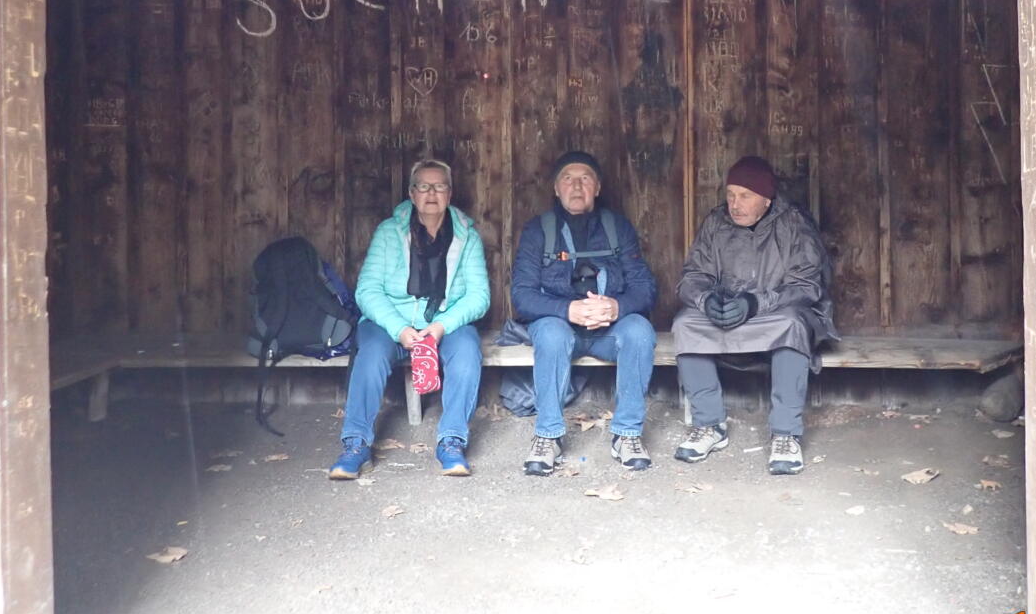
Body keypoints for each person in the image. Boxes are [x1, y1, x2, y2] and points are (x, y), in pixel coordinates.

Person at [672, 156, 837, 475]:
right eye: (731, 195)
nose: (735, 204)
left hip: (771, 317)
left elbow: (807, 286)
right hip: (728, 317)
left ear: (766, 199)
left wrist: (755, 304)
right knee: (685, 324)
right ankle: (709, 424)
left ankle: (785, 434)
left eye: (745, 196)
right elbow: (692, 276)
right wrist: (706, 300)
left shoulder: (792, 223)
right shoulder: (716, 222)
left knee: (792, 324)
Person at [329, 159, 489, 479]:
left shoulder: (467, 237)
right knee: (371, 354)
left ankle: (452, 441)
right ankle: (356, 444)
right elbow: (368, 290)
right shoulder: (389, 232)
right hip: (392, 322)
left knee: (467, 350)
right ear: (412, 194)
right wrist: (399, 328)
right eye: (423, 186)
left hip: (443, 322)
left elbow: (479, 296)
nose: (431, 193)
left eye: (439, 186)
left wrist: (441, 326)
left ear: (449, 193)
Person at [509, 150, 658, 475]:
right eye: (568, 179)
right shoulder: (539, 230)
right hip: (560, 327)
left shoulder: (617, 228)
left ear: (598, 187)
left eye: (585, 179)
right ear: (556, 188)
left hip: (608, 329)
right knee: (551, 333)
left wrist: (616, 307)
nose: (576, 186)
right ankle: (548, 436)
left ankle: (628, 434)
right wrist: (567, 310)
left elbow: (645, 288)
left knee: (639, 331)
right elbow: (522, 295)